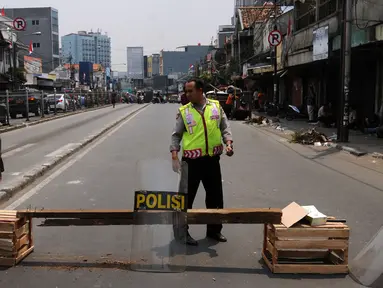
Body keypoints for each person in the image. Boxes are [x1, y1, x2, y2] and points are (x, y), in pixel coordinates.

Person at [170, 78, 233, 246]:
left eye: (190, 91)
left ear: (200, 90)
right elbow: (176, 135)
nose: (187, 94)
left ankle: (214, 230)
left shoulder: (215, 107)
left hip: (212, 160)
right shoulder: (184, 111)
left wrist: (228, 143)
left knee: (215, 197)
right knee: (185, 198)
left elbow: (224, 127)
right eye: (186, 91)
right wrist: (174, 155)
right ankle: (182, 232)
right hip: (190, 162)